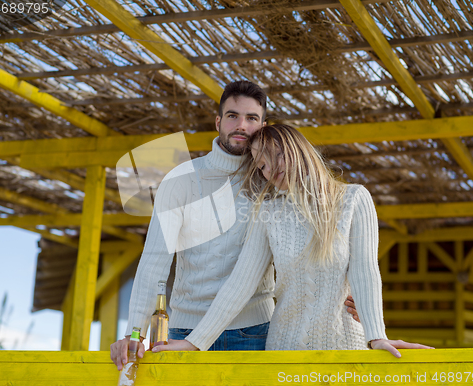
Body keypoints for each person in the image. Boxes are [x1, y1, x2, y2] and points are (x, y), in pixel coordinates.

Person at [110, 82, 361, 370]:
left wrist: (344, 292)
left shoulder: (274, 181)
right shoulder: (180, 180)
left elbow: (314, 241)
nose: (241, 125)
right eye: (232, 116)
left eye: (252, 118)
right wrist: (134, 333)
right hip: (184, 331)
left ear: (263, 125)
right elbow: (154, 261)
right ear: (218, 122)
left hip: (256, 331)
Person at [153, 124, 434, 358]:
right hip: (284, 351)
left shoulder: (353, 199)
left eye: (277, 155)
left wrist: (377, 336)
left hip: (345, 349)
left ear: (298, 150)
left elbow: (365, 271)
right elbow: (240, 284)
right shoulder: (268, 212)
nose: (271, 167)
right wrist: (196, 341)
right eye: (262, 165)